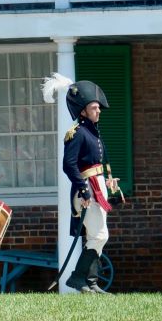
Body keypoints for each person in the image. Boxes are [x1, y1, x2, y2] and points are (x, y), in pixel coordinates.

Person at [44, 74, 118, 294]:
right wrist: (84, 190)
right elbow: (69, 165)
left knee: (95, 237)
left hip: (96, 186)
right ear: (83, 110)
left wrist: (107, 180)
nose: (99, 111)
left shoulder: (92, 132)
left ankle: (91, 282)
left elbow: (95, 164)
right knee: (100, 235)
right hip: (86, 189)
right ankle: (77, 278)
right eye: (94, 108)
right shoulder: (76, 134)